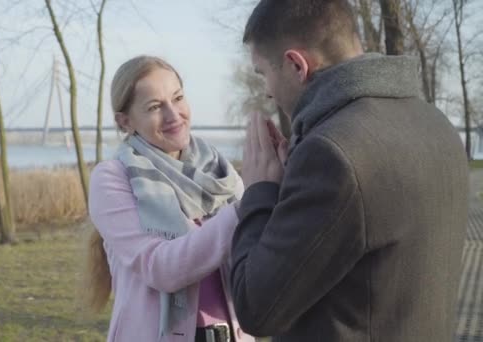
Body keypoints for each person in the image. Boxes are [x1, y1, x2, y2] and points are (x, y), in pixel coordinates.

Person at [230, 1, 469, 341]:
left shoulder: (331, 155)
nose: (267, 91)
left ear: (296, 66)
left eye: (263, 73)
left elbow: (256, 308)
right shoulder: (436, 124)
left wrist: (259, 191)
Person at [88, 55, 255, 342]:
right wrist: (247, 208)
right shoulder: (113, 178)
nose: (173, 115)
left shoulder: (220, 174)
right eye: (154, 107)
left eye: (177, 98)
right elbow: (160, 267)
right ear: (125, 121)